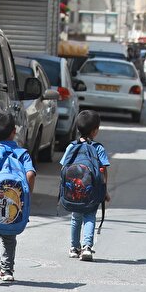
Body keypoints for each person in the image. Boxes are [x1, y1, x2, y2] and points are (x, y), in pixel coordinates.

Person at [0, 111, 36, 284]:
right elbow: (30, 174)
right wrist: (27, 195)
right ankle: (7, 270)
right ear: (14, 131)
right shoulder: (22, 154)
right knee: (10, 237)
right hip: (14, 204)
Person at [65, 110, 110, 262]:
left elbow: (64, 167)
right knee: (89, 217)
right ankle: (87, 247)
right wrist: (104, 190)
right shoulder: (98, 148)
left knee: (75, 218)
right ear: (95, 130)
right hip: (92, 192)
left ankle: (74, 248)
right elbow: (103, 170)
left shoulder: (71, 147)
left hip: (73, 191)